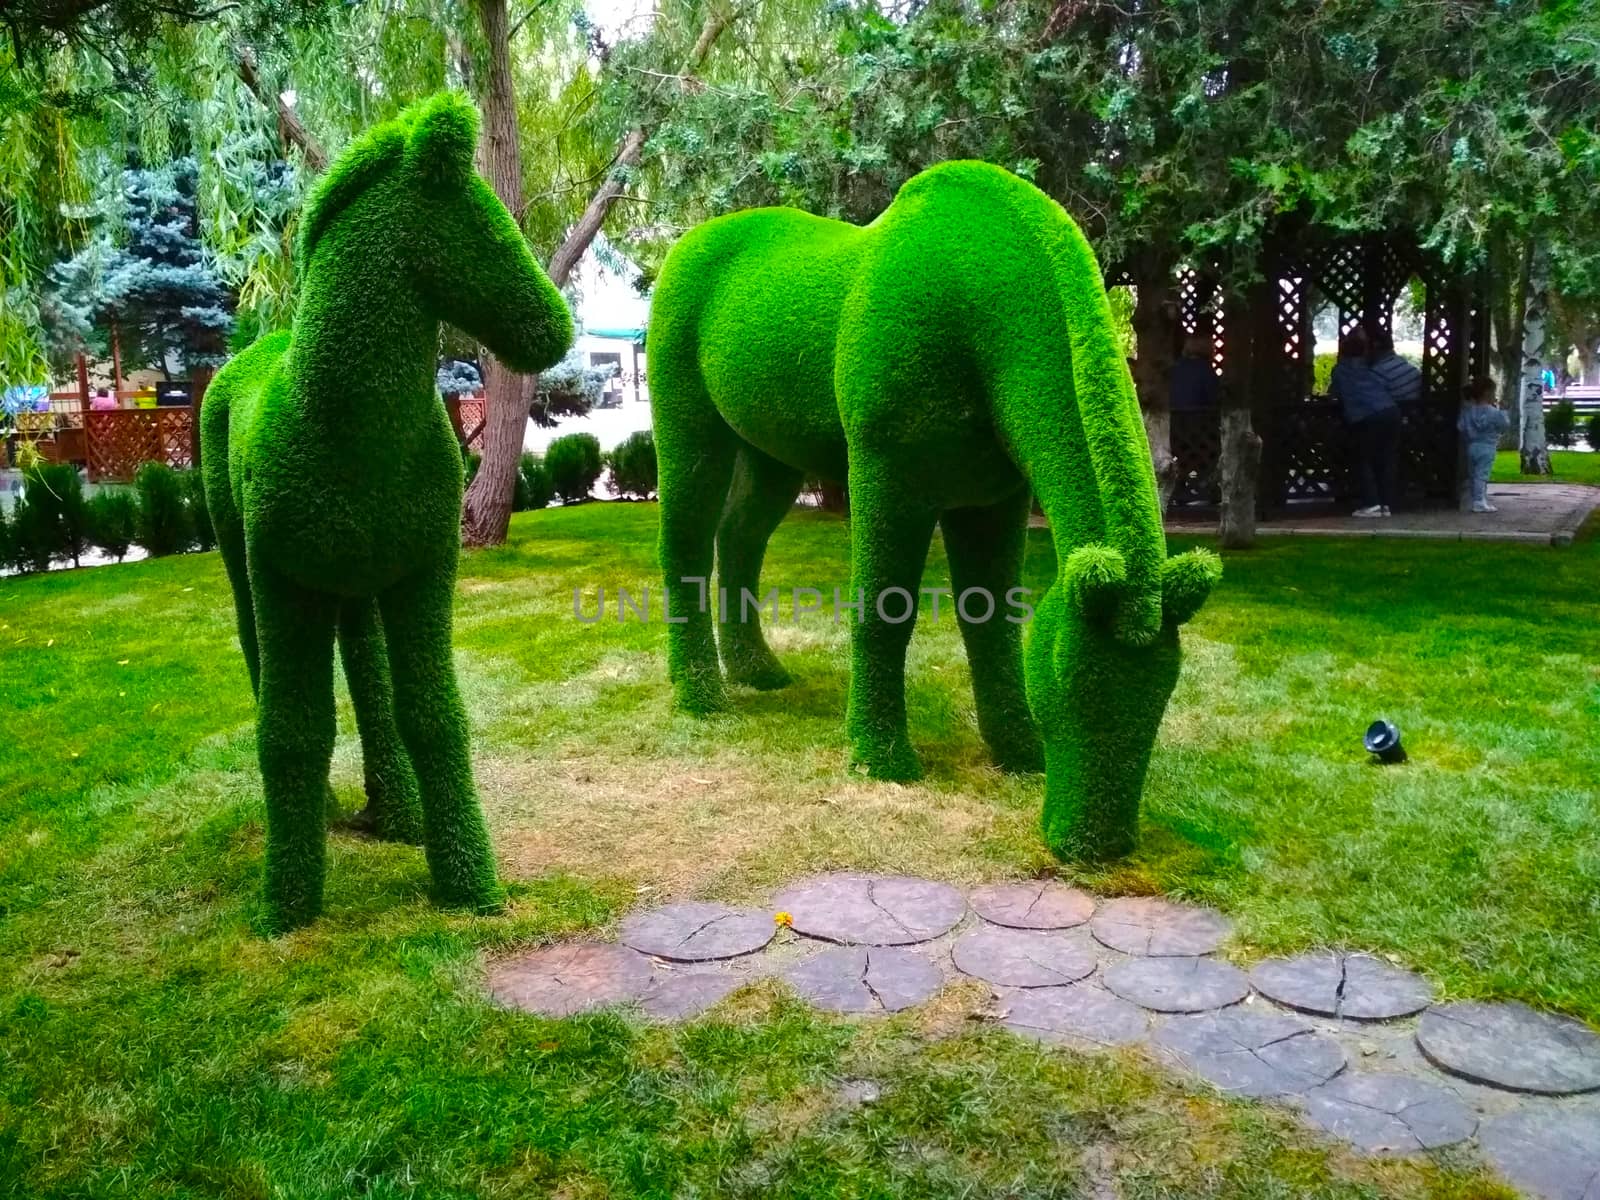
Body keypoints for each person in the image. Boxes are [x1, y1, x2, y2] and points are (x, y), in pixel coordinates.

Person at [1329, 327, 1400, 517]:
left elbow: (1335, 394)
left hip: (1366, 416)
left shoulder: (1341, 370)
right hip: (1390, 410)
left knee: (1363, 458)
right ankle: (1386, 504)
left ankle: (1371, 503)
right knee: (1385, 459)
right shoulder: (1369, 368)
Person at [1458, 375, 1509, 514]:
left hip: (1472, 446)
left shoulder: (1468, 410)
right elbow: (1504, 426)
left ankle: (1477, 499)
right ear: (1487, 393)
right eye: (1493, 392)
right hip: (1488, 446)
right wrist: (1504, 411)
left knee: (1473, 474)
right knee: (1482, 475)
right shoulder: (1494, 412)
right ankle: (1479, 501)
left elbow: (1461, 427)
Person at [1169, 334, 1220, 411]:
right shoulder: (1205, 369)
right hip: (1198, 416)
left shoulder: (1177, 367)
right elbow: (1214, 397)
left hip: (1175, 416)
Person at [1370, 331, 1421, 406]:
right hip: (1416, 413)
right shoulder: (1407, 366)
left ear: (1375, 346)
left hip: (1396, 414)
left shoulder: (1377, 372)